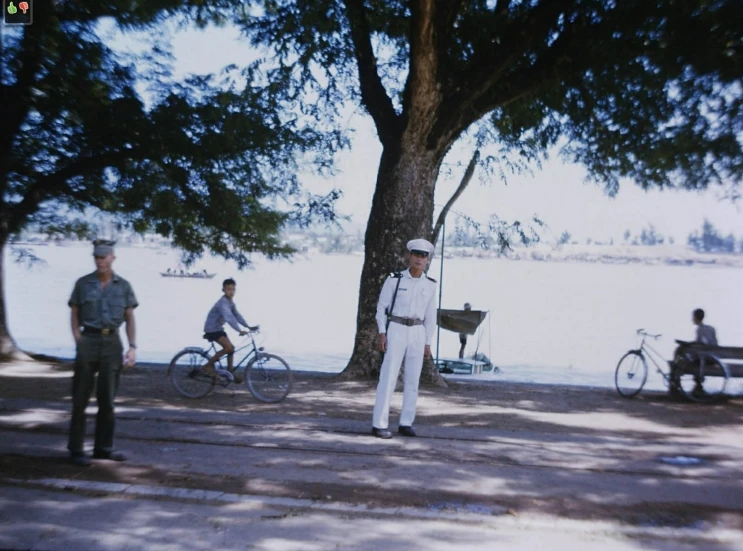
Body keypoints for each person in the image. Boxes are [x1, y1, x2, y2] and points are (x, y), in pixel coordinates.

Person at [67, 239, 138, 467]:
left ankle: (103, 449)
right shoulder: (83, 283)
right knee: (80, 399)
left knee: (107, 400)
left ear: (112, 258)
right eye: (97, 257)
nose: (100, 261)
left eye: (104, 257)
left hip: (112, 342)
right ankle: (76, 449)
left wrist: (132, 347)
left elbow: (129, 317)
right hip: (89, 339)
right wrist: (78, 339)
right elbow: (75, 312)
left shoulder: (123, 286)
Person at [372, 238, 438, 439]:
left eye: (423, 256)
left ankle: (406, 422)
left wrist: (428, 342)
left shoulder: (430, 284)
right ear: (409, 256)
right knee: (388, 377)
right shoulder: (394, 279)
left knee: (413, 380)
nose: (419, 259)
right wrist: (382, 332)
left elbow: (431, 316)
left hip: (417, 331)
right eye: (416, 255)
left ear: (427, 260)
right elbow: (381, 308)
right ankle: (379, 424)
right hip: (397, 328)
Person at [202, 278, 258, 384]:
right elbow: (229, 317)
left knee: (231, 349)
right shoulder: (222, 303)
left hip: (218, 329)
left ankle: (229, 371)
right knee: (227, 348)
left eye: (233, 289)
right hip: (211, 329)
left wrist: (248, 326)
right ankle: (207, 366)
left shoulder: (230, 302)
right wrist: (239, 330)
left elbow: (237, 315)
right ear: (223, 290)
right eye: (228, 289)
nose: (231, 292)